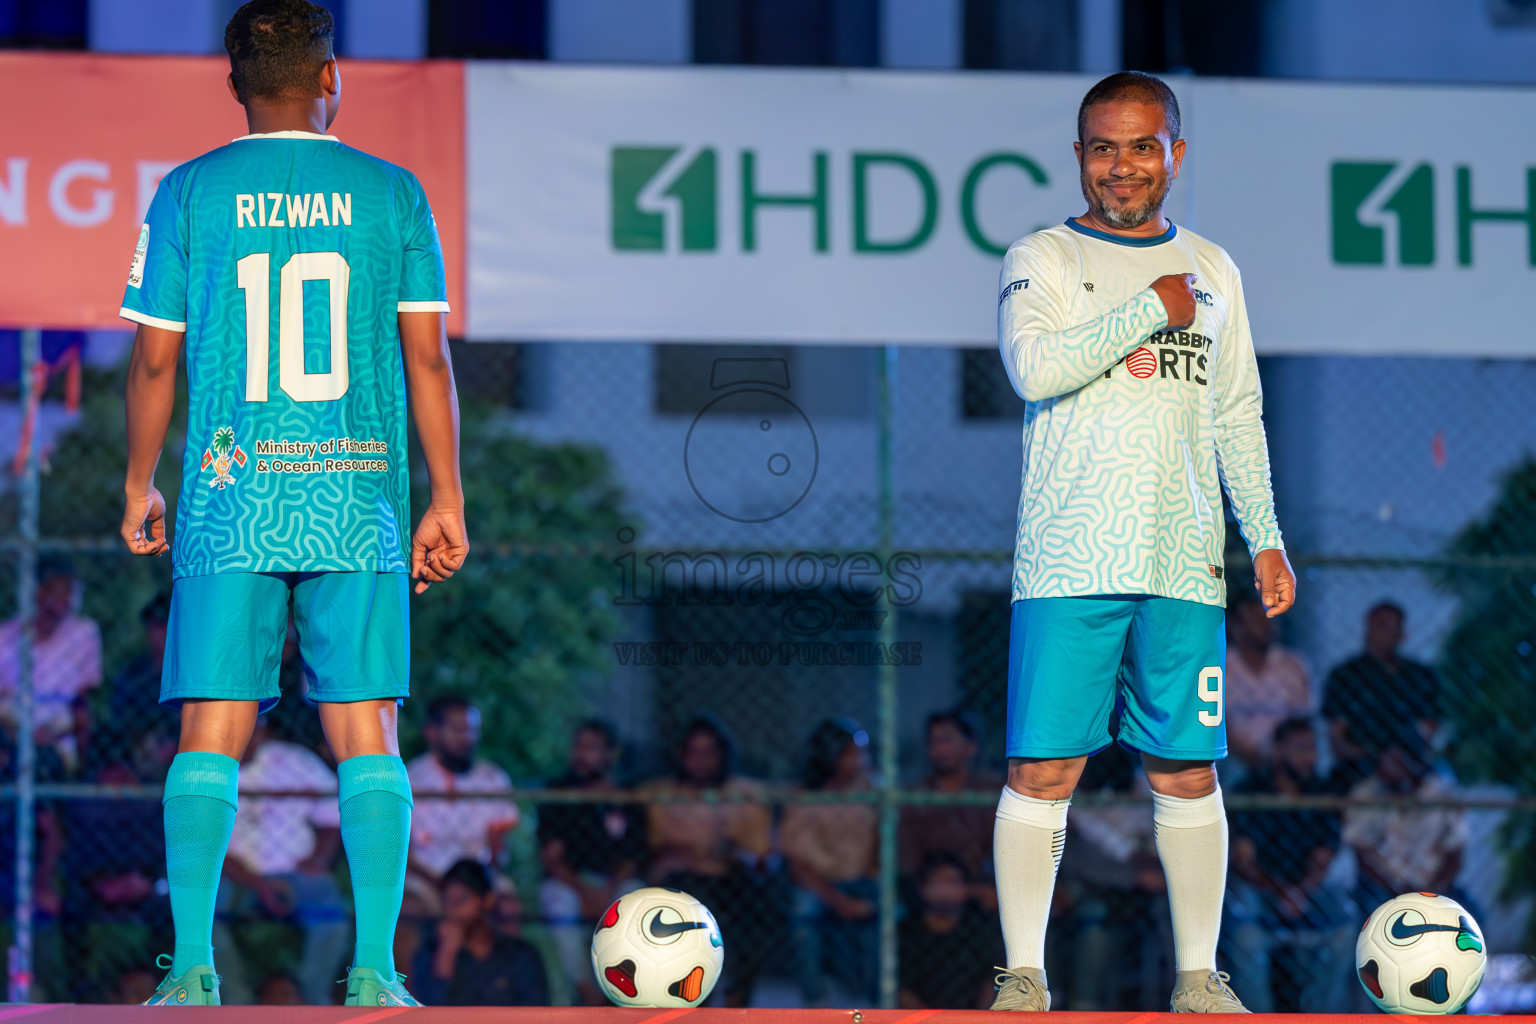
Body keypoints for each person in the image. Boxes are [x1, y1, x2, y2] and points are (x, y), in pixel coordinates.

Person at [117, 0, 467, 1006]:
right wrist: (445, 496)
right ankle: (376, 971)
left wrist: (141, 481)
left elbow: (152, 357)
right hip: (357, 496)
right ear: (329, 79)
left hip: (231, 497)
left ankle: (188, 968)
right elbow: (428, 358)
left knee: (211, 731)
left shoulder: (187, 193)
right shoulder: (393, 193)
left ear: (235, 86)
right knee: (366, 731)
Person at [990, 70, 1296, 1013]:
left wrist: (1268, 538)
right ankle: (1024, 977)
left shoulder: (1215, 268)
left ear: (1175, 153)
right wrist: (1146, 308)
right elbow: (1032, 370)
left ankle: (1199, 978)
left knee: (1187, 766)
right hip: (1069, 560)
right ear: (1078, 154)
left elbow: (1238, 411)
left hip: (1185, 561)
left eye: (1140, 146)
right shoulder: (1039, 256)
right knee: (1044, 769)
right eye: (1101, 147)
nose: (1120, 167)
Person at [212, 717, 350, 1006]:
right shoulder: (207, 767)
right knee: (201, 913)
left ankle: (310, 1000)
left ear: (264, 731)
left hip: (296, 875)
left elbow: (333, 817)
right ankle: (234, 1004)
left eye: (254, 730)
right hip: (234, 877)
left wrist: (318, 861)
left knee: (331, 908)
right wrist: (258, 884)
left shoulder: (294, 761)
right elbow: (204, 848)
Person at [641, 715, 776, 1007]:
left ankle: (738, 996)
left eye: (708, 752)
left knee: (758, 909)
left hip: (731, 880)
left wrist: (720, 851)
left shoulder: (746, 794)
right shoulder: (660, 794)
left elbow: (758, 854)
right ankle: (695, 998)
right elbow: (659, 853)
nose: (700, 761)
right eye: (693, 752)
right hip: (681, 884)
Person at [1224, 717, 1354, 1013]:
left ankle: (1320, 1018)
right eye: (1301, 749)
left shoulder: (1321, 793)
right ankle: (1257, 1019)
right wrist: (1281, 892)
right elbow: (1244, 861)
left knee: (1345, 927)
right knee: (1244, 931)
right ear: (1278, 751)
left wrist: (1299, 892)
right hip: (1261, 892)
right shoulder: (1250, 790)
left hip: (1307, 892)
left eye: (1314, 749)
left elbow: (1323, 859)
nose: (1311, 757)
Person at [537, 719, 646, 1005]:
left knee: (635, 896)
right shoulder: (558, 792)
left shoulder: (626, 796)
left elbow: (633, 858)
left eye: (591, 748)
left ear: (610, 754)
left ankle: (624, 990)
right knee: (557, 902)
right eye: (578, 746)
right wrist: (585, 892)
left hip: (613, 884)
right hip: (571, 882)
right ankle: (588, 994)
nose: (582, 754)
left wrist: (608, 891)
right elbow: (551, 859)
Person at [782, 717, 879, 1007]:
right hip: (819, 885)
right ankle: (816, 1001)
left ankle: (879, 999)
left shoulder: (873, 790)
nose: (862, 760)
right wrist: (839, 901)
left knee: (884, 910)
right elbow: (798, 867)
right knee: (803, 912)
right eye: (853, 752)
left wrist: (869, 886)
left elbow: (881, 850)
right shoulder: (804, 797)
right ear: (832, 755)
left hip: (862, 879)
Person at [1343, 724, 1468, 915]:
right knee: (1373, 908)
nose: (1388, 767)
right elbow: (1361, 855)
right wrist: (1399, 891)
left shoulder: (1441, 796)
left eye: (1397, 761)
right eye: (1386, 759)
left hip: (1433, 886)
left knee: (1471, 917)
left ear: (1414, 762)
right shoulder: (1366, 794)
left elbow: (1455, 855)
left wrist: (1432, 890)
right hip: (1383, 887)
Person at [406, 696, 520, 892]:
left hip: (478, 881)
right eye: (458, 729)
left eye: (472, 730)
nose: (467, 737)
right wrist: (442, 886)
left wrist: (478, 884)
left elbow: (497, 848)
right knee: (408, 908)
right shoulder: (410, 778)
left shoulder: (493, 778)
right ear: (432, 732)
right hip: (424, 879)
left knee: (507, 905)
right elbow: (401, 853)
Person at [0, 555, 102, 770]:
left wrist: (52, 733)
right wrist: (19, 733)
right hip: (13, 724)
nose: (67, 599)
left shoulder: (83, 633)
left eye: (71, 591)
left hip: (58, 726)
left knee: (61, 728)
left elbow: (82, 701)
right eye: (59, 590)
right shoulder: (6, 636)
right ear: (39, 592)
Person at [1324, 602, 1442, 785]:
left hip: (1412, 767)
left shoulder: (1420, 677)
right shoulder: (1346, 676)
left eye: (1387, 626)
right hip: (1359, 769)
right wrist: (1374, 757)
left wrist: (1404, 760)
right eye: (1375, 625)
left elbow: (1430, 729)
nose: (1379, 633)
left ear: (1401, 633)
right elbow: (1336, 738)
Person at [899, 710, 1002, 910]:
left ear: (971, 746)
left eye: (946, 740)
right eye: (933, 741)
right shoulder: (914, 797)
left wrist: (973, 889)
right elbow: (906, 860)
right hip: (928, 894)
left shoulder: (990, 791)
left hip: (983, 891)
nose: (939, 748)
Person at [410, 860, 549, 1006]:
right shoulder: (430, 954)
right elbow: (428, 1014)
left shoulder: (519, 955)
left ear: (487, 901)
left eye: (461, 900)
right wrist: (446, 955)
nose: (452, 912)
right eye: (447, 902)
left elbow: (534, 1012)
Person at [1222, 588, 1314, 773]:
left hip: (1286, 759)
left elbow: (1303, 720)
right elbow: (1213, 724)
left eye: (1269, 618)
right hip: (1231, 759)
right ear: (1236, 627)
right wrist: (1251, 757)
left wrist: (1279, 754)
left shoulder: (1293, 665)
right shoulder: (1219, 666)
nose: (1265, 625)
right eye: (1255, 619)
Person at [898, 853, 1005, 1010]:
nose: (945, 889)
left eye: (952, 882)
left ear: (966, 889)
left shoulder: (980, 931)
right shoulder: (905, 933)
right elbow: (900, 989)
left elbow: (990, 983)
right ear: (922, 888)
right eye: (938, 882)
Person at [90, 592, 178, 781]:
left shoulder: (192, 672)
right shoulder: (133, 672)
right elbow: (120, 714)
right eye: (155, 626)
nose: (159, 634)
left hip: (177, 744)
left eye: (165, 626)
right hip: (135, 748)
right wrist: (140, 742)